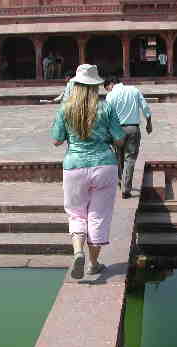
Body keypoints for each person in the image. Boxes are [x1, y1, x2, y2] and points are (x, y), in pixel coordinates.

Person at [51, 64, 126, 279]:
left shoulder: (65, 108)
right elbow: (119, 138)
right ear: (96, 86)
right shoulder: (106, 108)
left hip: (74, 165)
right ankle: (93, 264)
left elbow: (56, 140)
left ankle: (77, 251)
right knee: (98, 215)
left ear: (76, 84)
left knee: (76, 213)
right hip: (104, 165)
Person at [104, 76, 152, 199]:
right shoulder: (134, 90)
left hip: (117, 130)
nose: (108, 90)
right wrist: (149, 122)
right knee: (130, 158)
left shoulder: (110, 95)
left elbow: (106, 115)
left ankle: (121, 181)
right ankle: (126, 188)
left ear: (112, 83)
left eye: (107, 88)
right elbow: (145, 107)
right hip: (132, 128)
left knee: (118, 157)